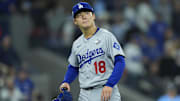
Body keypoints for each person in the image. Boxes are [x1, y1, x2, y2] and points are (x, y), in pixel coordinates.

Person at [59, 2, 126, 101]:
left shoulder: (106, 36)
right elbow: (73, 67)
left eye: (87, 13)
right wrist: (66, 81)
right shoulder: (77, 44)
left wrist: (110, 84)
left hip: (105, 90)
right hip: (84, 93)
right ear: (75, 21)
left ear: (93, 16)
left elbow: (120, 61)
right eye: (79, 15)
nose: (84, 17)